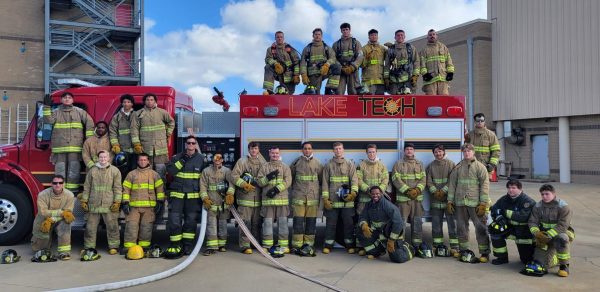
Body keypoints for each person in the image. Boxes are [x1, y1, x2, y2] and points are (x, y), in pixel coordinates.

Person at [447, 143, 491, 263]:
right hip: (460, 203)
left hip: (475, 204)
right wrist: (450, 201)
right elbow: (452, 185)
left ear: (473, 152)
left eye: (469, 151)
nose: (467, 153)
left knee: (480, 228)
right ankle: (464, 250)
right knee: (461, 228)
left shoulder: (480, 167)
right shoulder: (458, 167)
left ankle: (484, 253)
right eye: (465, 151)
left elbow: (485, 186)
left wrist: (483, 203)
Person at [43, 91, 94, 192]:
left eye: (69, 97)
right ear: (61, 100)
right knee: (60, 171)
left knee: (74, 171)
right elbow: (48, 120)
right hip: (59, 149)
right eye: (65, 97)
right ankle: (60, 191)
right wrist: (46, 107)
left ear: (73, 100)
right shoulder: (56, 112)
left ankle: (72, 191)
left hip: (75, 148)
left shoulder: (79, 112)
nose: (67, 99)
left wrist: (89, 139)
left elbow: (90, 122)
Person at [164, 135, 205, 257]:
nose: (191, 145)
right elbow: (171, 171)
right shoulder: (177, 157)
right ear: (185, 144)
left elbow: (205, 177)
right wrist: (182, 160)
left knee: (190, 222)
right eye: (189, 143)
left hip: (193, 197)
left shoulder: (201, 159)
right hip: (177, 195)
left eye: (193, 143)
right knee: (174, 221)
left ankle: (187, 246)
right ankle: (176, 244)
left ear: (196, 144)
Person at [79, 150, 122, 255]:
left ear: (109, 158)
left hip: (109, 204)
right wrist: (84, 200)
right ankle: (89, 247)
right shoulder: (92, 171)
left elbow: (117, 188)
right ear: (98, 158)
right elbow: (87, 186)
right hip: (94, 203)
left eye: (105, 157)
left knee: (112, 226)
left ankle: (113, 246)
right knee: (90, 227)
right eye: (101, 157)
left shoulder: (115, 171)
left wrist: (117, 202)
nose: (103, 159)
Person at [526, 184, 574, 277]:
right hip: (544, 235)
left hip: (562, 233)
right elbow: (532, 222)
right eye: (542, 194)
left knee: (562, 239)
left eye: (547, 194)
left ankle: (564, 265)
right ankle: (555, 258)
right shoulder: (538, 206)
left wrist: (547, 235)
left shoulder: (563, 207)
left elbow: (562, 225)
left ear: (553, 194)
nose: (544, 196)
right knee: (541, 264)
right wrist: (537, 234)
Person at [122, 153, 165, 254]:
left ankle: (144, 248)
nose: (142, 162)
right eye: (141, 160)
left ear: (148, 161)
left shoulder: (154, 174)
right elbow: (125, 189)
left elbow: (160, 189)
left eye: (145, 160)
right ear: (137, 161)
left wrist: (160, 202)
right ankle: (129, 247)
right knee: (131, 227)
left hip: (149, 207)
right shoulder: (131, 174)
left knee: (146, 228)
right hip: (134, 207)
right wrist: (125, 203)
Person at [321, 142, 358, 254]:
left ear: (343, 150)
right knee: (330, 224)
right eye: (336, 149)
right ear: (333, 151)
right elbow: (325, 183)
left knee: (348, 224)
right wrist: (325, 199)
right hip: (332, 201)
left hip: (347, 201)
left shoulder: (350, 164)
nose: (338, 151)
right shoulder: (328, 165)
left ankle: (349, 245)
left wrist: (353, 193)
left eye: (340, 149)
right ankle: (328, 245)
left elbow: (354, 180)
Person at [357, 186, 409, 262]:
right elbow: (362, 217)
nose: (375, 196)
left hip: (389, 235)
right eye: (373, 194)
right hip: (378, 233)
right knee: (359, 229)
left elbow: (398, 223)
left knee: (398, 258)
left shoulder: (388, 206)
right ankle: (376, 252)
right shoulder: (369, 205)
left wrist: (391, 240)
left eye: (377, 193)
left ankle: (408, 248)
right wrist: (364, 225)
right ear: (370, 194)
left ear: (381, 193)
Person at [490, 179, 535, 265]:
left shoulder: (527, 201)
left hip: (524, 231)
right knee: (494, 230)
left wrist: (504, 212)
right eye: (509, 188)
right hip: (510, 227)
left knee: (525, 260)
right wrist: (498, 216)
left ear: (520, 189)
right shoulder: (504, 199)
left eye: (513, 188)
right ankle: (502, 257)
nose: (510, 190)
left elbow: (522, 217)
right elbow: (494, 209)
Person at [130, 93, 175, 179]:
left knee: (161, 173)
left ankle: (161, 192)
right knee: (146, 173)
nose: (149, 102)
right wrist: (136, 144)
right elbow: (134, 129)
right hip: (145, 148)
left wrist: (168, 133)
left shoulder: (162, 112)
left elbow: (171, 122)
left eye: (152, 100)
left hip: (160, 149)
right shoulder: (138, 114)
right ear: (144, 102)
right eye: (147, 100)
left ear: (155, 101)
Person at [31, 175, 75, 261]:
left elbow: (68, 213)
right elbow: (43, 212)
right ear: (51, 184)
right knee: (39, 249)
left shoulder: (70, 195)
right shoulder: (42, 195)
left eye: (60, 183)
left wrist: (52, 219)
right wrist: (60, 213)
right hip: (44, 220)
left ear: (63, 184)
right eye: (55, 183)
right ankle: (44, 247)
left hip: (58, 220)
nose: (57, 185)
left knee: (66, 224)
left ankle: (64, 252)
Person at [257, 146, 292, 253]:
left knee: (283, 224)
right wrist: (268, 178)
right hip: (268, 202)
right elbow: (259, 182)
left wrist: (276, 189)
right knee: (267, 224)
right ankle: (267, 246)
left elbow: (288, 181)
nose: (275, 155)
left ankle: (283, 245)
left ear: (279, 154)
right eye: (273, 153)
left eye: (276, 153)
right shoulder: (264, 167)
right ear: (269, 154)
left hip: (282, 201)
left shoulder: (285, 167)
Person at [391, 143, 426, 251]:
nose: (409, 151)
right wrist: (407, 190)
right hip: (403, 200)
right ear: (404, 151)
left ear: (414, 151)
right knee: (401, 223)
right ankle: (400, 244)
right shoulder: (398, 164)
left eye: (411, 149)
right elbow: (395, 179)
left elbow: (423, 179)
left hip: (417, 200)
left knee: (417, 223)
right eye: (407, 149)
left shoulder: (420, 164)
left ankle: (417, 245)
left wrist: (417, 190)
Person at [425, 144, 458, 257]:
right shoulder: (430, 166)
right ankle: (437, 245)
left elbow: (453, 180)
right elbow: (428, 181)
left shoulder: (451, 164)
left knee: (452, 223)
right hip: (435, 200)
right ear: (433, 154)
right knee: (436, 224)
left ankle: (454, 247)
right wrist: (435, 192)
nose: (438, 154)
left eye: (440, 151)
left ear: (444, 152)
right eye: (436, 152)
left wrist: (443, 191)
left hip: (448, 200)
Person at [356, 144, 389, 255]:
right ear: (366, 153)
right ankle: (361, 246)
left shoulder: (382, 166)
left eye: (373, 152)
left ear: (376, 152)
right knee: (362, 222)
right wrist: (368, 190)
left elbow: (385, 180)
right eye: (369, 152)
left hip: (378, 200)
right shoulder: (361, 165)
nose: (371, 154)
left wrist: (378, 193)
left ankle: (375, 246)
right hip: (364, 199)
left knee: (376, 222)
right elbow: (358, 180)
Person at [289, 142, 322, 253]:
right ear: (302, 150)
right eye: (305, 148)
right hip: (299, 198)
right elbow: (291, 178)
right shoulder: (296, 163)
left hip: (312, 198)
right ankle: (296, 245)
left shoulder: (317, 163)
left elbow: (321, 180)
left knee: (311, 222)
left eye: (309, 148)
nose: (307, 150)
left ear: (312, 150)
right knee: (297, 222)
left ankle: (309, 245)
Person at [201, 153, 235, 256]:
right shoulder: (206, 171)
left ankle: (222, 245)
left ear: (222, 160)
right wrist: (205, 198)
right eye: (216, 158)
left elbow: (232, 184)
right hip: (211, 204)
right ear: (213, 159)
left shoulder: (227, 171)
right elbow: (202, 186)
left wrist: (230, 194)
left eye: (219, 158)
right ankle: (211, 247)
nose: (217, 160)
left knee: (223, 225)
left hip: (224, 204)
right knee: (211, 225)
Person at [300, 28, 341, 95]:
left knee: (337, 67)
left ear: (321, 36)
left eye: (319, 34)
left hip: (324, 71)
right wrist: (303, 74)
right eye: (315, 34)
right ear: (313, 36)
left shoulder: (326, 48)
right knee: (314, 93)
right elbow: (302, 62)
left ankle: (329, 89)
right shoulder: (307, 48)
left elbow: (333, 58)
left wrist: (326, 65)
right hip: (313, 74)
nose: (317, 36)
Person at [419, 29, 454, 95]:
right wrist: (425, 74)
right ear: (427, 37)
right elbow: (422, 64)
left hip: (443, 78)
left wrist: (450, 72)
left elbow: (449, 61)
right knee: (431, 101)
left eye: (433, 34)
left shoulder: (443, 47)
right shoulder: (424, 50)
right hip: (430, 80)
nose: (432, 36)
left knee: (444, 100)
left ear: (436, 36)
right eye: (430, 35)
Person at [385, 29, 420, 95]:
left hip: (408, 80)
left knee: (409, 102)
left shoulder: (411, 48)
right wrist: (386, 78)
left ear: (404, 36)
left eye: (402, 35)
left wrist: (415, 75)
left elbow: (416, 62)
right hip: (394, 81)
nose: (400, 36)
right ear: (395, 37)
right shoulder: (390, 50)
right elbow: (387, 65)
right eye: (398, 35)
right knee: (395, 102)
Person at [333, 23, 363, 95]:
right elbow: (333, 58)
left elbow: (360, 56)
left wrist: (352, 67)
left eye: (347, 29)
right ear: (341, 31)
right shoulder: (336, 44)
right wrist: (340, 67)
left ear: (350, 30)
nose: (345, 31)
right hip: (341, 71)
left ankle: (354, 106)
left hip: (353, 71)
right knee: (338, 91)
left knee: (354, 92)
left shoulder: (356, 43)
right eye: (343, 30)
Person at [110, 94, 136, 171]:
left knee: (134, 170)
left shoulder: (137, 115)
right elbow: (112, 132)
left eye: (128, 102)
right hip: (122, 149)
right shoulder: (116, 117)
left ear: (132, 104)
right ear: (122, 103)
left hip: (135, 150)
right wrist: (115, 145)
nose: (126, 104)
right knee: (123, 170)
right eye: (124, 102)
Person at [360, 29, 387, 94]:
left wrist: (392, 48)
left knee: (379, 102)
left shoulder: (382, 48)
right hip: (368, 81)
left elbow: (390, 59)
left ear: (377, 37)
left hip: (380, 81)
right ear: (369, 37)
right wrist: (366, 59)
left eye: (375, 35)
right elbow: (360, 65)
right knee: (369, 102)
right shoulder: (364, 49)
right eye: (372, 35)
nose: (374, 36)